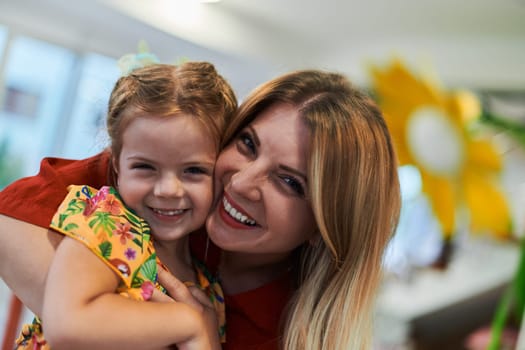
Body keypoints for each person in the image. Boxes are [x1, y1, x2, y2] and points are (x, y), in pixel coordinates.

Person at [0, 69, 401, 349]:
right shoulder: (138, 206)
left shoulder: (278, 327)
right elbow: (10, 216)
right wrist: (185, 327)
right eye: (247, 144)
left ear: (325, 226)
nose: (240, 183)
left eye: (290, 181)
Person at [14, 60, 237, 350]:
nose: (168, 189)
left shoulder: (209, 289)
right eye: (145, 167)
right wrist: (189, 324)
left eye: (194, 170)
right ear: (117, 164)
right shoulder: (108, 222)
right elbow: (68, 325)